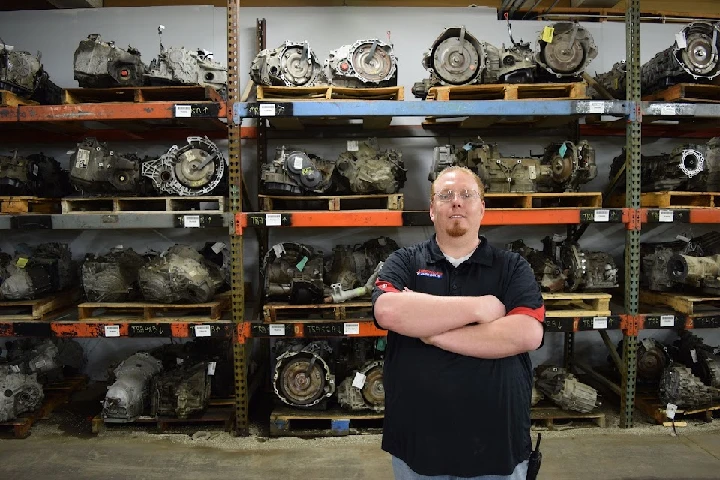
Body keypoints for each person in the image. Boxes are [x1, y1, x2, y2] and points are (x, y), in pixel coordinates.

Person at [372, 166, 545, 480]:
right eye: (445, 195)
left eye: (467, 195)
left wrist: (429, 332)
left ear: (482, 207)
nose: (456, 202)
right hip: (417, 445)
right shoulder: (405, 261)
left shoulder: (512, 267)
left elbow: (526, 333)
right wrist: (481, 308)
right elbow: (388, 312)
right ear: (432, 209)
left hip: (496, 446)